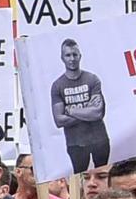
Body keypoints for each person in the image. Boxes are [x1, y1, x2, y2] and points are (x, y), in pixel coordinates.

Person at [47, 40, 113, 173]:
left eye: (74, 54)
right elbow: (59, 120)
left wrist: (70, 110)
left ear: (80, 56)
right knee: (79, 180)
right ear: (62, 58)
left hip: (99, 139)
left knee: (103, 176)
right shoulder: (57, 85)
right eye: (68, 55)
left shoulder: (92, 79)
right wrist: (87, 112)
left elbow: (98, 114)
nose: (72, 59)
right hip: (75, 143)